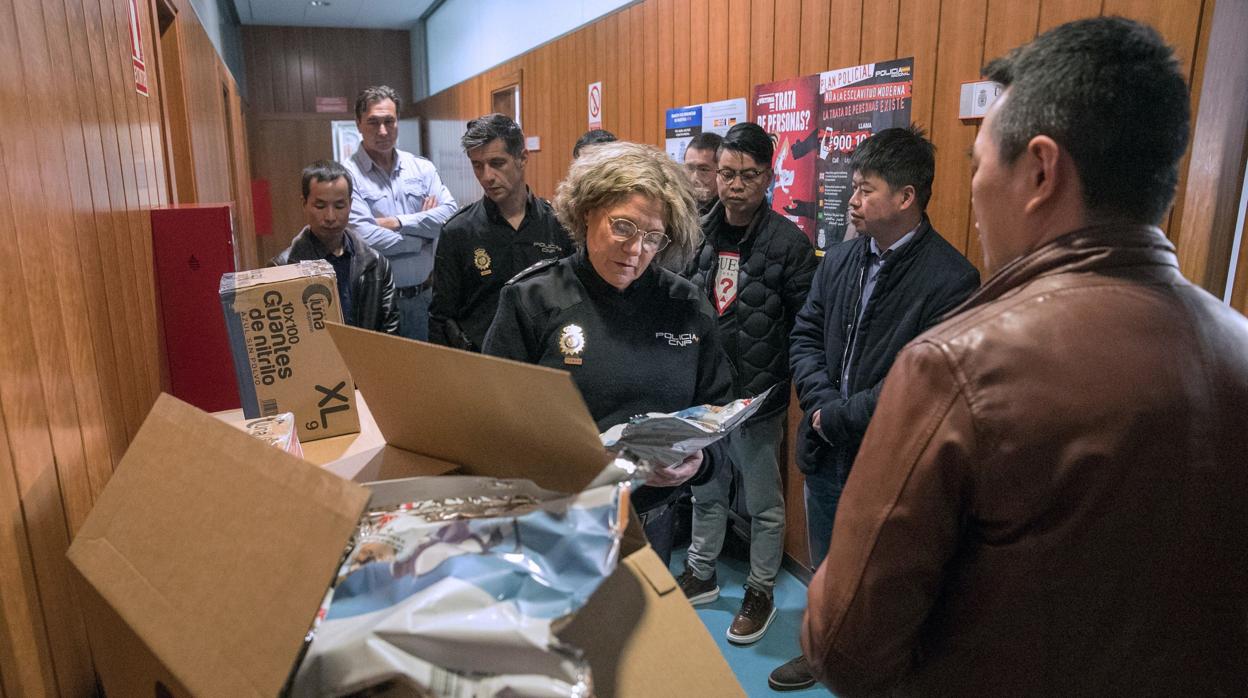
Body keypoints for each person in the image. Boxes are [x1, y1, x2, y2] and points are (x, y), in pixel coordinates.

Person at [802, 17, 1248, 696]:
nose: (976, 194)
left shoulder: (960, 364)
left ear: (1040, 170)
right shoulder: (1238, 345)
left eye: (979, 165)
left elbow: (845, 648)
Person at [771, 126, 979, 691]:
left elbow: (919, 382)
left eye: (864, 190)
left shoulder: (952, 280)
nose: (852, 201)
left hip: (886, 457)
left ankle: (870, 673)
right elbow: (805, 334)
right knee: (826, 567)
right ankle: (822, 655)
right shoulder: (839, 259)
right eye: (853, 188)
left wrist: (835, 416)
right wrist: (818, 404)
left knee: (883, 579)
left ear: (906, 197)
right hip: (824, 446)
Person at [482, 141, 732, 566]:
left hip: (651, 522)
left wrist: (700, 463)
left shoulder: (687, 306)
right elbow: (492, 425)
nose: (635, 250)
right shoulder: (533, 300)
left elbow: (719, 413)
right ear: (585, 213)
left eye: (653, 238)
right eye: (623, 228)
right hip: (554, 520)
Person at [678, 122, 817, 646]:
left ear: (768, 176)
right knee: (705, 489)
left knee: (763, 502)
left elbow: (807, 326)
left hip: (758, 398)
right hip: (704, 395)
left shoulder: (789, 244)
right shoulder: (697, 234)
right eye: (727, 174)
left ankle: (761, 589)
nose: (734, 186)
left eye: (748, 175)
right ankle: (702, 572)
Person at [428, 114, 573, 351]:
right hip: (482, 364)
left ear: (522, 158)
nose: (487, 177)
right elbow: (441, 318)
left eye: (497, 163)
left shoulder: (559, 224)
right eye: (477, 165)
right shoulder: (458, 232)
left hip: (545, 358)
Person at [343, 85, 458, 340]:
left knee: (429, 376)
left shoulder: (421, 168)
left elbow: (450, 215)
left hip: (426, 298)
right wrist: (424, 236)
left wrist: (396, 222)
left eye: (389, 121)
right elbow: (365, 237)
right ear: (358, 124)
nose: (382, 131)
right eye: (373, 122)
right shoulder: (347, 176)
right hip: (378, 302)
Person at [270, 160, 400, 335]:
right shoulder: (282, 268)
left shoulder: (376, 264)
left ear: (350, 205)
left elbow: (390, 333)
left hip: (365, 360)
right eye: (320, 206)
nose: (330, 217)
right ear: (304, 204)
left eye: (339, 206)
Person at [683, 132, 723, 215]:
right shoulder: (675, 209)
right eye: (690, 168)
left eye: (704, 170)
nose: (694, 178)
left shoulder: (730, 214)